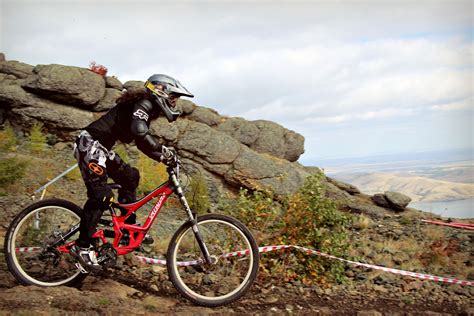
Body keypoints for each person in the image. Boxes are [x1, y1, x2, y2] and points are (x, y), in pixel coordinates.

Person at [70, 74, 194, 270]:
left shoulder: (147, 109)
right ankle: (82, 247)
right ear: (161, 91)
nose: (175, 102)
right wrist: (164, 151)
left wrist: (163, 158)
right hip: (90, 144)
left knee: (131, 177)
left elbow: (142, 144)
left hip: (102, 149)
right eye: (173, 97)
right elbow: (140, 132)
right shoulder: (143, 103)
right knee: (102, 196)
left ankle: (127, 229)